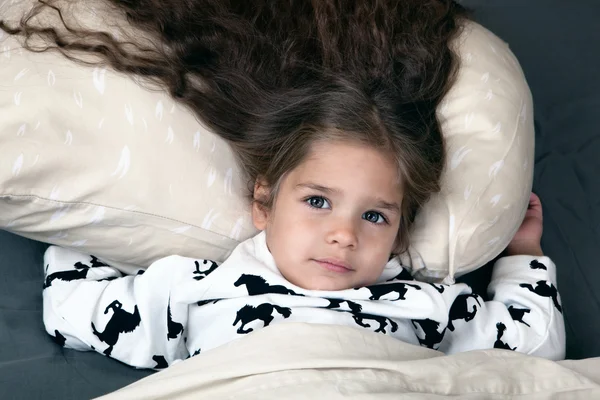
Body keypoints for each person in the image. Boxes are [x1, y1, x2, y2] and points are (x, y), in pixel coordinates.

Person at [3, 1, 564, 368]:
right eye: (318, 201)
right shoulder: (191, 290)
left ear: (399, 232)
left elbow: (530, 347)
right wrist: (76, 229)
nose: (344, 235)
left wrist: (524, 255)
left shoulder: (425, 306)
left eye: (375, 216)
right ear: (265, 202)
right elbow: (79, 309)